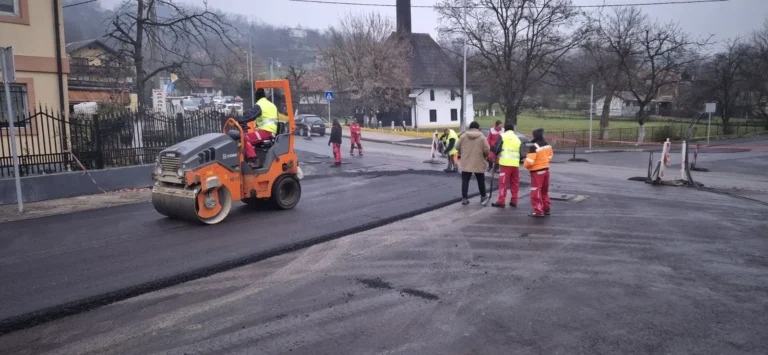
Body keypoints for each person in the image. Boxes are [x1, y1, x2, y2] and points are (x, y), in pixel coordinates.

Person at [242, 89, 278, 167]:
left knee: (243, 138)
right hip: (271, 131)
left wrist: (239, 120)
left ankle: (254, 159)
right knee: (247, 138)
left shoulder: (260, 104)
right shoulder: (272, 105)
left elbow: (251, 115)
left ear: (256, 96)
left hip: (266, 132)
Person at [523, 128, 554, 217]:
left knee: (535, 191)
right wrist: (544, 162)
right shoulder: (547, 145)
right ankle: (546, 208)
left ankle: (538, 210)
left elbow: (529, 161)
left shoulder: (534, 146)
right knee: (544, 191)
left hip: (537, 172)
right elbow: (550, 156)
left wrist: (525, 165)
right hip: (546, 170)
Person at [457, 121, 490, 205]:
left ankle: (464, 198)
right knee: (480, 180)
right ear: (478, 128)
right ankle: (483, 196)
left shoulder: (463, 136)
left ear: (470, 128)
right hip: (478, 161)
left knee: (465, 180)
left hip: (466, 161)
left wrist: (462, 153)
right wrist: (486, 156)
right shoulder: (482, 137)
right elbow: (486, 149)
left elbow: (457, 147)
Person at [491, 124, 522, 208]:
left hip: (506, 164)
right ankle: (514, 201)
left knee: (503, 183)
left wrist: (495, 154)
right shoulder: (517, 138)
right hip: (515, 164)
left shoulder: (502, 136)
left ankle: (501, 201)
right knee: (514, 183)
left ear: (505, 129)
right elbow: (519, 152)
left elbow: (497, 148)